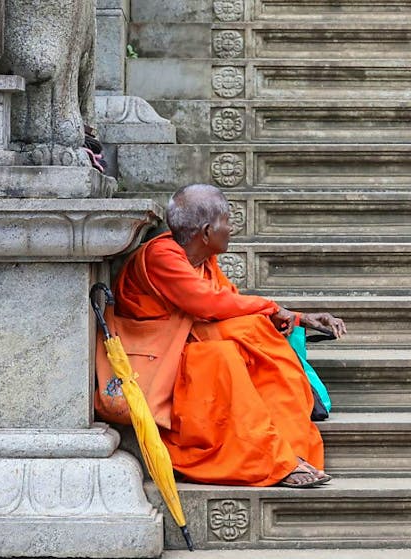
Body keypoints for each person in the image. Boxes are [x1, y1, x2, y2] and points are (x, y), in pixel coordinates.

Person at [94, 183, 347, 488]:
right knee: (225, 356)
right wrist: (273, 307)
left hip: (190, 350)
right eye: (226, 221)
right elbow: (209, 303)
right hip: (162, 364)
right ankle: (271, 461)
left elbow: (230, 302)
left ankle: (293, 451)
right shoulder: (161, 255)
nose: (231, 228)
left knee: (255, 334)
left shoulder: (201, 260)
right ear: (206, 232)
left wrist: (294, 317)